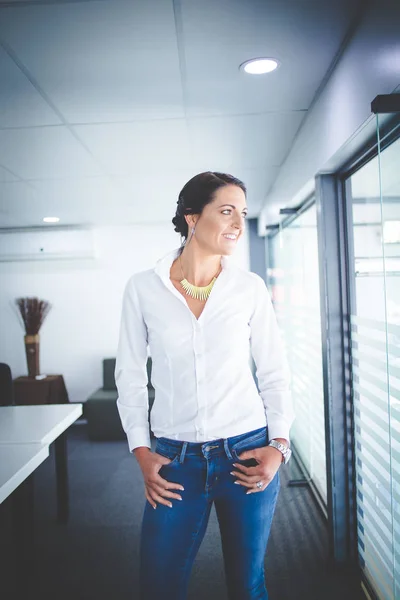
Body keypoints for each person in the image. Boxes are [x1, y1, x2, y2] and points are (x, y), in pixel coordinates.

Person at [115, 171, 295, 600]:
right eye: (226, 210)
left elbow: (274, 372)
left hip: (246, 456)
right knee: (158, 585)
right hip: (174, 461)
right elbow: (130, 375)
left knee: (247, 584)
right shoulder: (143, 288)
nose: (237, 223)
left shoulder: (248, 288)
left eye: (243, 213)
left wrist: (280, 445)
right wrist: (141, 450)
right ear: (192, 217)